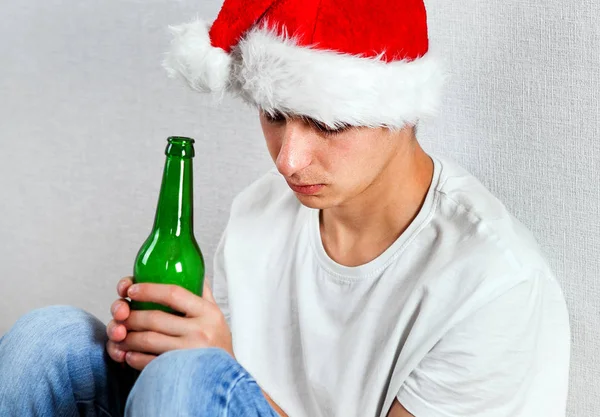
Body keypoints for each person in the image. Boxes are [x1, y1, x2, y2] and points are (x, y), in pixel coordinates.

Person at [0, 0, 571, 416]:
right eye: (274, 115)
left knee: (190, 381)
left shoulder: (493, 283)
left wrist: (210, 367)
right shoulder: (260, 213)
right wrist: (161, 345)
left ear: (402, 110)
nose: (289, 160)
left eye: (327, 123)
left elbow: (210, 392)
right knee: (46, 343)